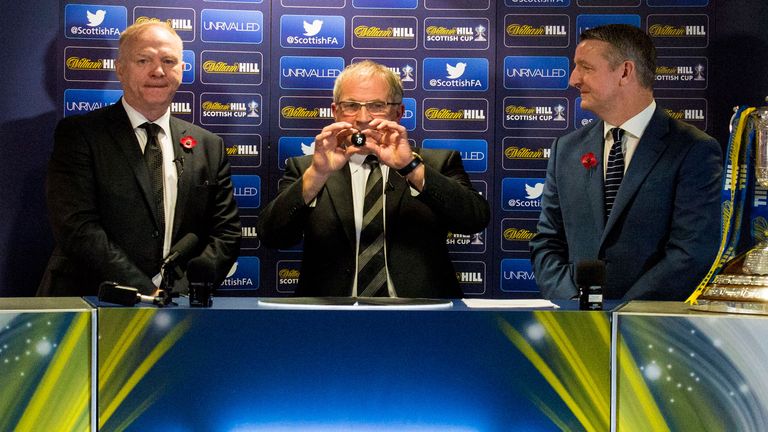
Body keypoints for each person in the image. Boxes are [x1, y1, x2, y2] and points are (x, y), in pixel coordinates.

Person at [38, 22, 241, 297]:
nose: (158, 71)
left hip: (178, 310)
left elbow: (225, 233)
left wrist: (180, 291)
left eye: (168, 61)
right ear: (121, 69)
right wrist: (146, 292)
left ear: (182, 70)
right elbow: (78, 229)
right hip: (95, 303)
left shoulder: (209, 145)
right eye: (143, 60)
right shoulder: (80, 135)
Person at [257, 60, 489, 298]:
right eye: (351, 105)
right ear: (335, 111)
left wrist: (411, 168)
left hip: (421, 315)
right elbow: (273, 237)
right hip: (329, 317)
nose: (363, 117)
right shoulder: (307, 168)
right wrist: (318, 174)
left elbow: (474, 220)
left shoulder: (436, 163)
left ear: (398, 112)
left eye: (377, 105)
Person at [530, 24, 722, 301]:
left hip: (650, 331)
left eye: (586, 67)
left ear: (625, 72)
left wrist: (623, 314)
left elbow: (691, 252)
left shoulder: (693, 149)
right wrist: (576, 305)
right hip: (577, 327)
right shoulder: (566, 149)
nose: (574, 79)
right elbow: (547, 242)